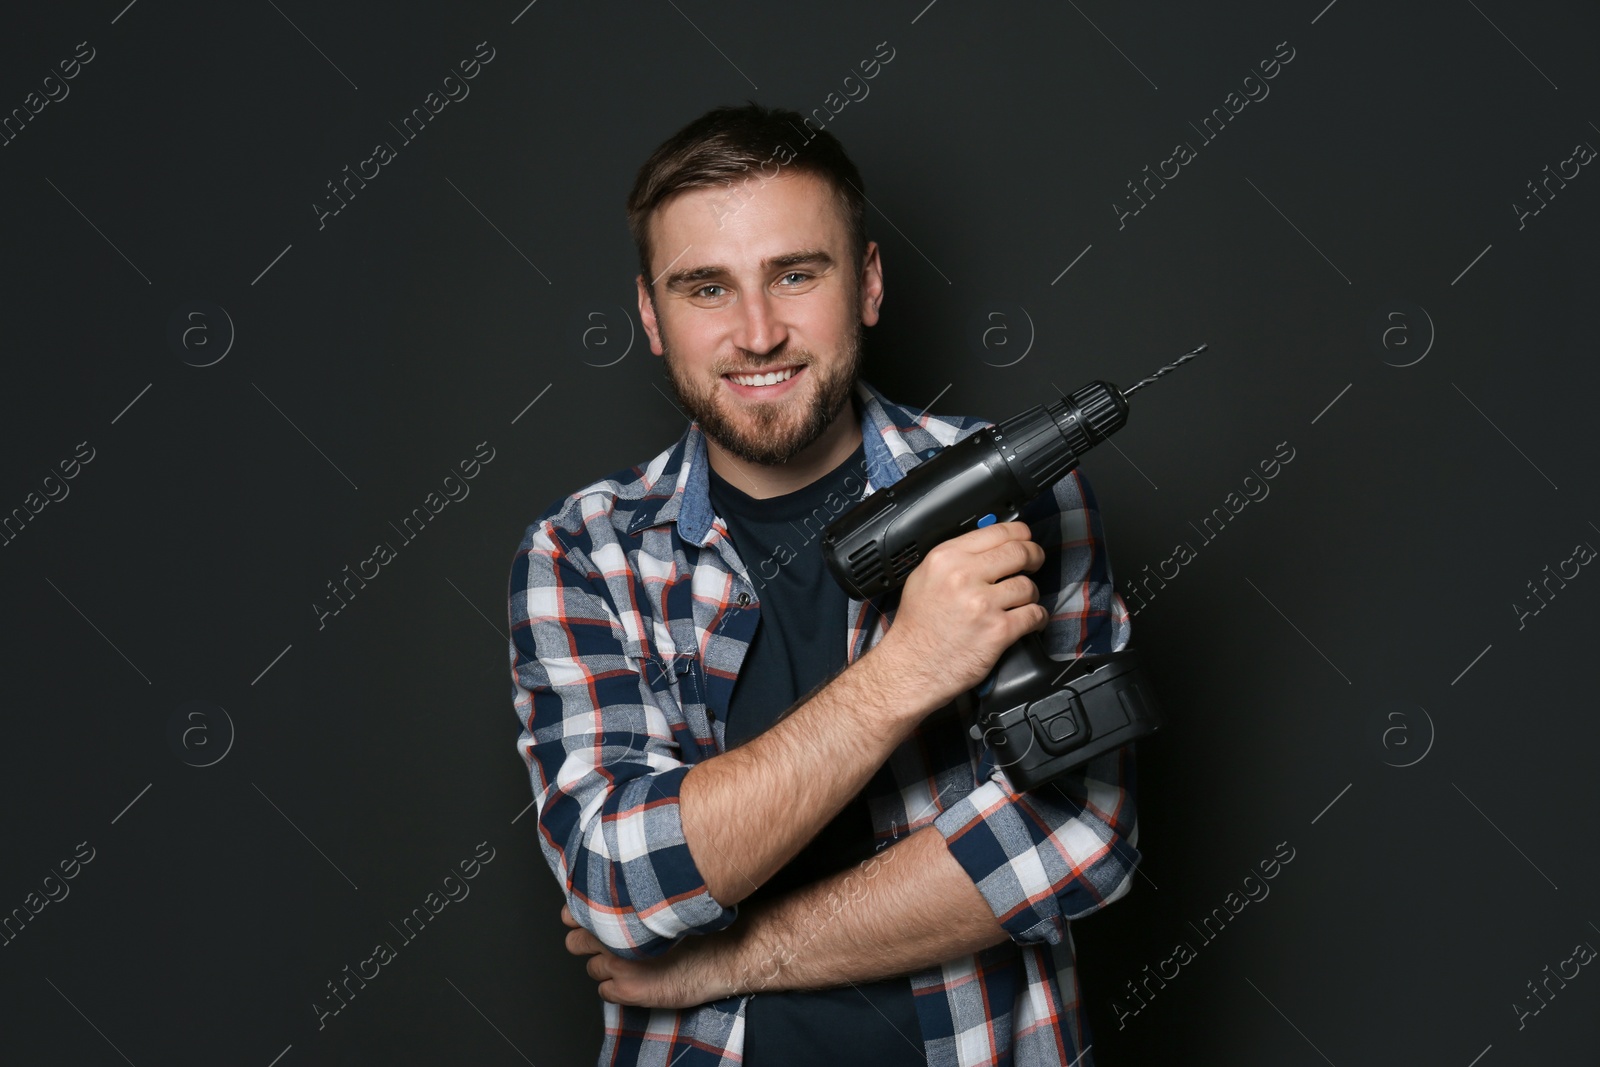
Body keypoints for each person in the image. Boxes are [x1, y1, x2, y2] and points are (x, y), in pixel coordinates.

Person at [506, 102, 1142, 1066]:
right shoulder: (584, 554)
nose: (758, 332)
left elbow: (1075, 839)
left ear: (870, 283)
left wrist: (728, 958)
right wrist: (908, 670)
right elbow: (619, 884)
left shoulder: (1018, 502)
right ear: (650, 316)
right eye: (705, 288)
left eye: (796, 274)